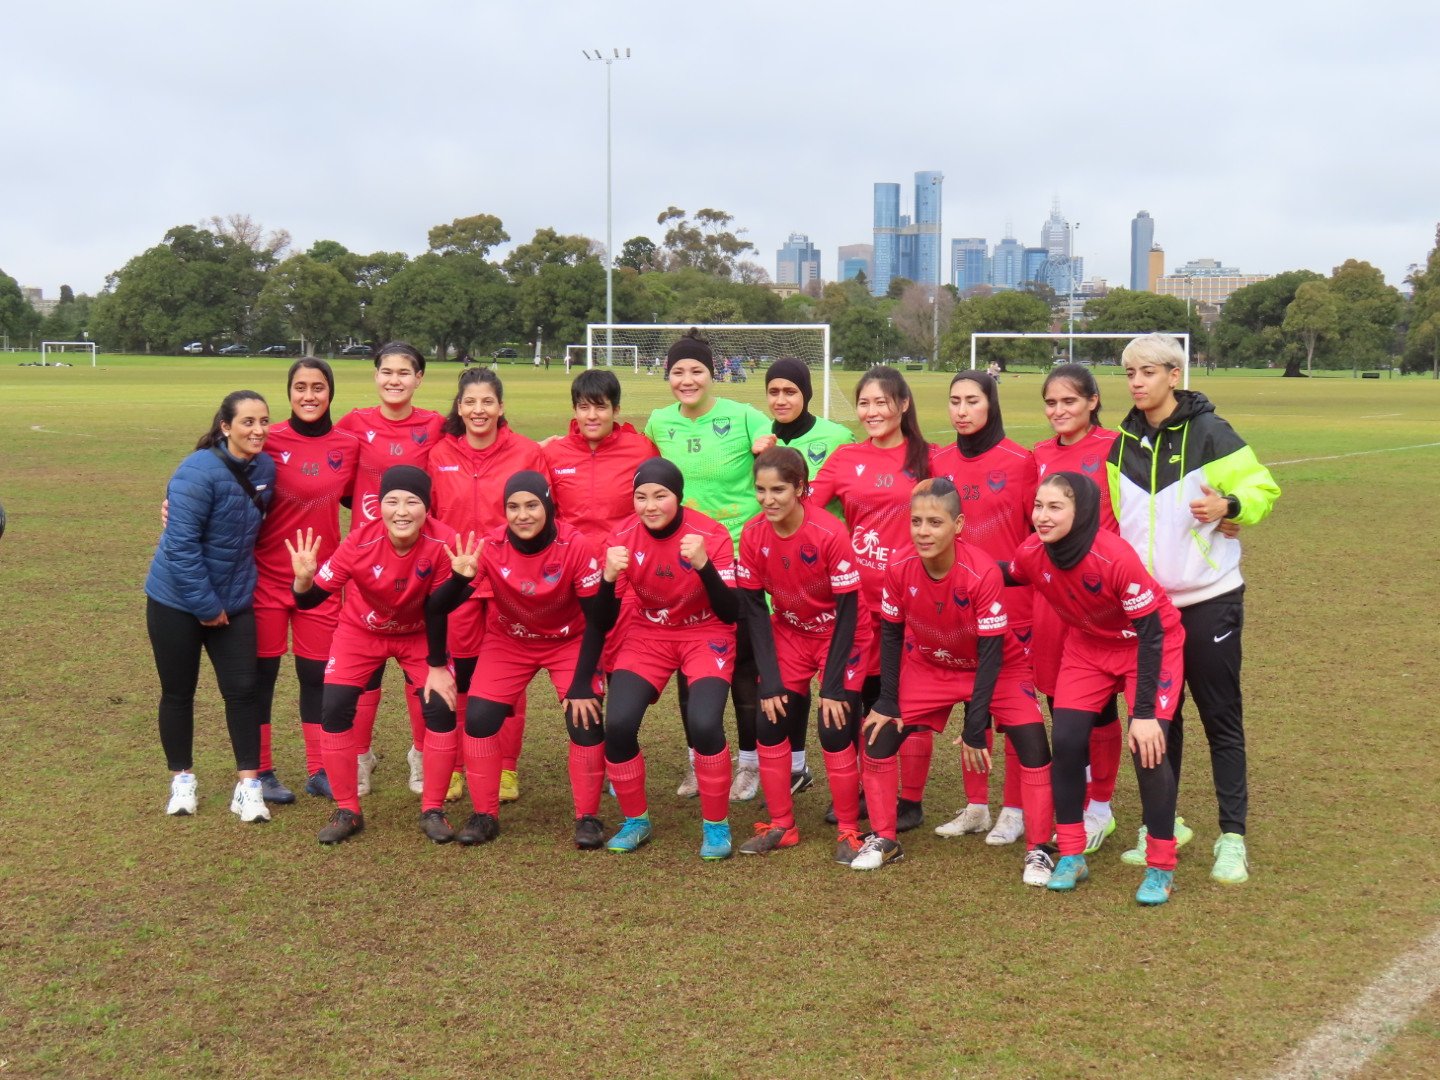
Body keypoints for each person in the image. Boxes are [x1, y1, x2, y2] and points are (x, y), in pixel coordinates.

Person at [1109, 334, 1281, 884]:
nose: (1137, 381)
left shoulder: (1211, 432)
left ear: (1174, 375)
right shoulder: (1122, 445)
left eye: (1148, 371)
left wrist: (1231, 505)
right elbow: (1118, 523)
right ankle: (1164, 827)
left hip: (1209, 601)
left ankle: (1232, 837)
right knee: (1157, 722)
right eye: (1130, 372)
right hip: (1150, 612)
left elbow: (1262, 489)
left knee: (1220, 720)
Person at [858, 479, 1055, 881]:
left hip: (999, 668)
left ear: (958, 524)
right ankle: (884, 838)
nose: (923, 531)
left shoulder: (981, 572)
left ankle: (1038, 849)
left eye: (935, 522)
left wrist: (974, 725)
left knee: (1034, 743)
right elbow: (892, 633)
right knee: (877, 736)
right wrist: (888, 699)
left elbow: (991, 651)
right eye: (916, 522)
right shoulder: (898, 566)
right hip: (932, 665)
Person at [1006, 471, 1184, 905]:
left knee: (1148, 748)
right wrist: (950, 561)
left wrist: (1143, 714)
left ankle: (1160, 865)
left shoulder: (1114, 557)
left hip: (1148, 646)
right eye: (1038, 507)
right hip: (1088, 648)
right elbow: (1004, 575)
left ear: (1081, 511)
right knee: (1066, 742)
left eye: (1055, 507)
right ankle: (1071, 854)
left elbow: (1153, 632)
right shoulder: (1033, 551)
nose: (1042, 517)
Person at [287, 465, 478, 845]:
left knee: (440, 707)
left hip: (421, 633)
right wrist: (303, 579)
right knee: (335, 705)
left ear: (428, 508)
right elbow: (309, 599)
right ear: (379, 506)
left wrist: (459, 581)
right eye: (392, 501)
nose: (402, 510)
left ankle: (433, 809)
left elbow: (440, 607)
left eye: (412, 501)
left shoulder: (446, 543)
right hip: (361, 632)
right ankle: (347, 809)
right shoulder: (359, 541)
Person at [643, 331, 770, 802]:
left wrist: (767, 444)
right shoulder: (659, 422)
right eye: (678, 371)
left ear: (712, 373)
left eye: (696, 370)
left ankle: (750, 764)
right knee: (689, 661)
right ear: (668, 376)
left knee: (742, 666)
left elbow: (774, 448)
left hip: (739, 555)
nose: (687, 379)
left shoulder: (743, 415)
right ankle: (698, 761)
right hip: (683, 560)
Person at [454, 472, 613, 849]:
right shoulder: (490, 545)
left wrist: (581, 683)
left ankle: (588, 818)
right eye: (513, 506)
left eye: (531, 505)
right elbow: (445, 602)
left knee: (585, 718)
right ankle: (484, 815)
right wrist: (458, 579)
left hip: (570, 640)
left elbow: (597, 620)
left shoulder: (575, 544)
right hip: (509, 641)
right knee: (479, 719)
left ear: (548, 507)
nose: (522, 515)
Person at [807, 366, 932, 828]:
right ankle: (861, 788)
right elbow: (807, 510)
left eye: (882, 402)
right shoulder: (844, 458)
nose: (872, 411)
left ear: (902, 405)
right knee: (859, 694)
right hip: (857, 599)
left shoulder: (926, 457)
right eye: (865, 403)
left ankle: (911, 800)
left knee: (906, 697)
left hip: (914, 599)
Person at [597, 459, 740, 859]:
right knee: (620, 724)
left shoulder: (709, 533)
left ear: (678, 497)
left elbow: (731, 611)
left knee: (705, 722)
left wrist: (704, 565)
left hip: (705, 631)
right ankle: (636, 821)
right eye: (641, 497)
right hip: (649, 633)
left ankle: (716, 826)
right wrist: (608, 579)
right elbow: (604, 619)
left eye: (660, 495)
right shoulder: (622, 536)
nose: (650, 505)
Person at [146, 390, 276, 823]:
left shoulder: (266, 469)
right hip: (176, 601)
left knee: (244, 691)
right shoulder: (197, 471)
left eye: (263, 421)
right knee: (178, 693)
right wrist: (205, 605)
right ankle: (182, 779)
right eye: (247, 422)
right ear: (225, 426)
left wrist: (224, 601)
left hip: (235, 600)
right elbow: (180, 546)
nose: (257, 430)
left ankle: (248, 786)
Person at [737, 447, 870, 863]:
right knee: (770, 719)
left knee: (834, 727)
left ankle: (849, 830)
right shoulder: (753, 533)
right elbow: (755, 610)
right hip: (791, 633)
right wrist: (770, 679)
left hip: (841, 636)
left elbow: (849, 610)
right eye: (760, 490)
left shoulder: (829, 533)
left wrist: (832, 686)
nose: (768, 499)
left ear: (800, 488)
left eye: (778, 489)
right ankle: (782, 825)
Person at [427, 368, 548, 806]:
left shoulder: (528, 453)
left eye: (487, 402)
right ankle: (458, 765)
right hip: (457, 583)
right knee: (462, 678)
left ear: (500, 407)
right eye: (470, 402)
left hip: (508, 584)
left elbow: (543, 516)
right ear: (459, 407)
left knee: (506, 680)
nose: (479, 410)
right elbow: (432, 514)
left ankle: (508, 767)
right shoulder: (439, 453)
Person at [929, 370, 1039, 843]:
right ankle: (976, 805)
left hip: (1014, 607)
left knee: (1012, 711)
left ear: (990, 404)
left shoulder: (1021, 461)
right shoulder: (938, 459)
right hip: (956, 610)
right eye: (954, 401)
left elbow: (1039, 535)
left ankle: (1013, 810)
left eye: (972, 400)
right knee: (971, 706)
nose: (961, 410)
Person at [335, 342, 446, 798]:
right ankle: (361, 757)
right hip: (366, 563)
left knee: (418, 667)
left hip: (420, 562)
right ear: (375, 375)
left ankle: (419, 754)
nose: (394, 380)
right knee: (366, 670)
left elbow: (489, 441)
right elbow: (325, 469)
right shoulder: (353, 424)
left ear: (419, 378)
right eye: (386, 371)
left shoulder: (436, 424)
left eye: (405, 372)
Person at [249, 358, 359, 803]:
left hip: (321, 583)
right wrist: (175, 502)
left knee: (317, 675)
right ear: (289, 392)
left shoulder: (348, 444)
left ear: (330, 393)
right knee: (262, 676)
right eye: (300, 387)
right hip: (266, 579)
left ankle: (320, 769)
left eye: (318, 387)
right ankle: (260, 770)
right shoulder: (267, 438)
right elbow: (217, 465)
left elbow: (370, 497)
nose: (309, 395)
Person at [1030, 363, 1126, 855]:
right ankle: (1080, 791)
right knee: (1058, 698)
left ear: (1092, 401)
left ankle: (1100, 807)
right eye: (1051, 403)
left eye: (1069, 401)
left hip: (1102, 596)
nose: (1059, 411)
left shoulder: (1116, 447)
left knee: (1100, 704)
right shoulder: (1040, 454)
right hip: (1053, 596)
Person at [751, 358, 855, 791]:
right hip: (776, 570)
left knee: (838, 702)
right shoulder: (759, 440)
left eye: (790, 391)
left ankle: (851, 786)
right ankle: (794, 766)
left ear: (807, 394)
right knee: (781, 690)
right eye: (774, 392)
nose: (781, 399)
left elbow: (851, 498)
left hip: (827, 573)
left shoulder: (837, 436)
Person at [544, 368, 660, 559]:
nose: (591, 416)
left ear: (616, 410)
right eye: (583, 407)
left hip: (626, 564)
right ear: (575, 410)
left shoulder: (642, 450)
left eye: (600, 407)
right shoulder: (553, 453)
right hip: (571, 564)